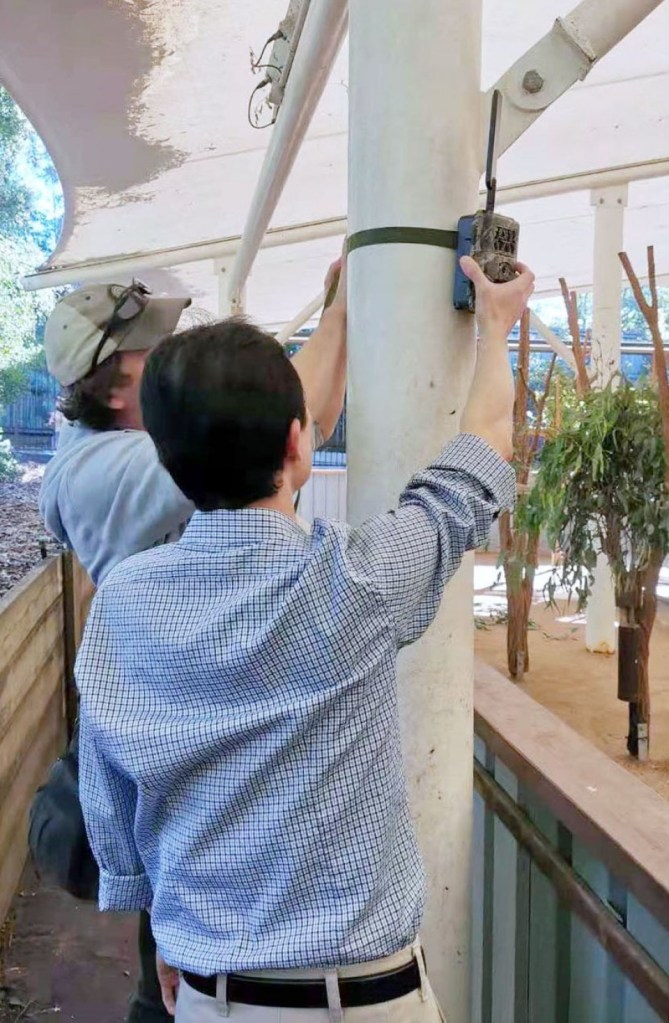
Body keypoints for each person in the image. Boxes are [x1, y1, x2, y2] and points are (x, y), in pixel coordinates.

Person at [75, 255, 534, 1022]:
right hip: (365, 1000)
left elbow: (111, 798)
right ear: (297, 444)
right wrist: (493, 322)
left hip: (211, 995)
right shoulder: (357, 579)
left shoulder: (121, 601)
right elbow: (480, 453)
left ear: (167, 458)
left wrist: (161, 926)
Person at [38, 267, 348, 1023]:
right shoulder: (99, 469)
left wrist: (340, 323)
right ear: (116, 387)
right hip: (181, 736)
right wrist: (340, 313)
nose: (175, 355)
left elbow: (304, 423)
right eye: (156, 349)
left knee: (188, 944)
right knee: (173, 972)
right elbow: (276, 420)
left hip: (203, 713)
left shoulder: (142, 444)